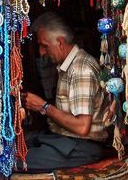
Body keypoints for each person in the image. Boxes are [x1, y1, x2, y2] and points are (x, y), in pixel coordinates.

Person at [20, 12, 113, 173]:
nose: (41, 52)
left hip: (82, 146)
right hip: (65, 140)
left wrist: (43, 106)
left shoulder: (81, 69)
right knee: (18, 144)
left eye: (44, 45)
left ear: (60, 42)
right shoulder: (67, 65)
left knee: (15, 160)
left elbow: (82, 127)